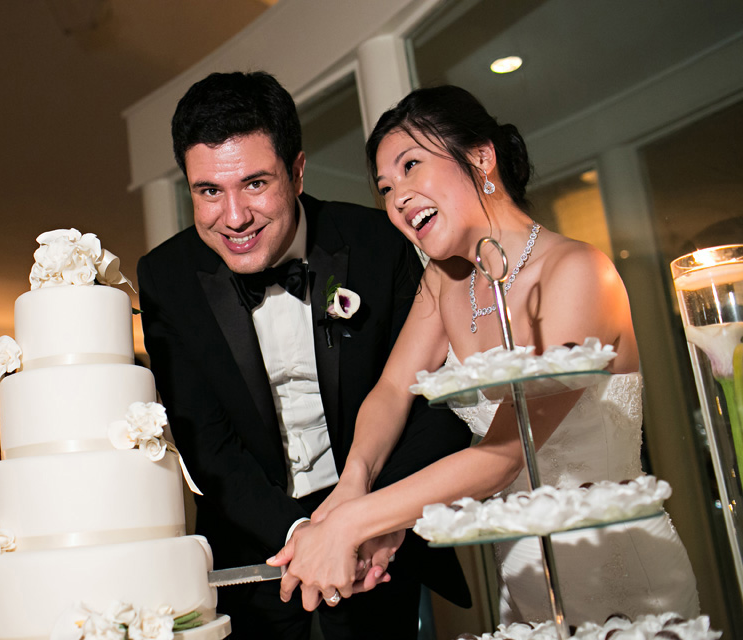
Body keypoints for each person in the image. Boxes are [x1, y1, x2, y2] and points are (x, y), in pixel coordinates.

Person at [269, 85, 700, 627]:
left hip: (622, 576)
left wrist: (353, 523)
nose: (397, 197)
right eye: (385, 186)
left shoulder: (576, 272)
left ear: (480, 157)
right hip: (523, 581)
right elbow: (391, 391)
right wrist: (355, 479)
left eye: (411, 166)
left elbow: (508, 450)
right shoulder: (444, 283)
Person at [137, 71, 472, 639]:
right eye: (208, 192)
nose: (234, 217)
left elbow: (428, 399)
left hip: (378, 550)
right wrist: (302, 536)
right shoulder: (167, 278)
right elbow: (209, 448)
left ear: (296, 172)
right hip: (257, 557)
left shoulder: (376, 241)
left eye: (255, 184)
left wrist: (374, 523)